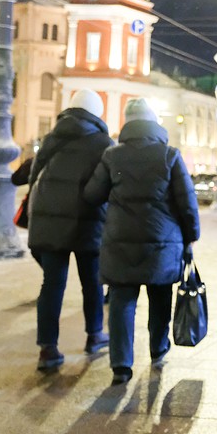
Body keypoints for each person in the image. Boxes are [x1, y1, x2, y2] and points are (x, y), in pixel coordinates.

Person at [84, 98, 200, 386]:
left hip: (119, 243)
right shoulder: (169, 155)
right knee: (160, 298)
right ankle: (158, 349)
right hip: (162, 244)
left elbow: (91, 195)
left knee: (122, 301)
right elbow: (187, 205)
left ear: (128, 124)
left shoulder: (113, 156)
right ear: (154, 123)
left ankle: (121, 365)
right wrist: (190, 236)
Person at [27, 89, 114, 371]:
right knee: (92, 282)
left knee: (52, 285)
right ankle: (94, 335)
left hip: (49, 220)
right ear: (97, 113)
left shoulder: (52, 137)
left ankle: (47, 349)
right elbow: (108, 185)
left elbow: (33, 178)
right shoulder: (103, 142)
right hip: (87, 220)